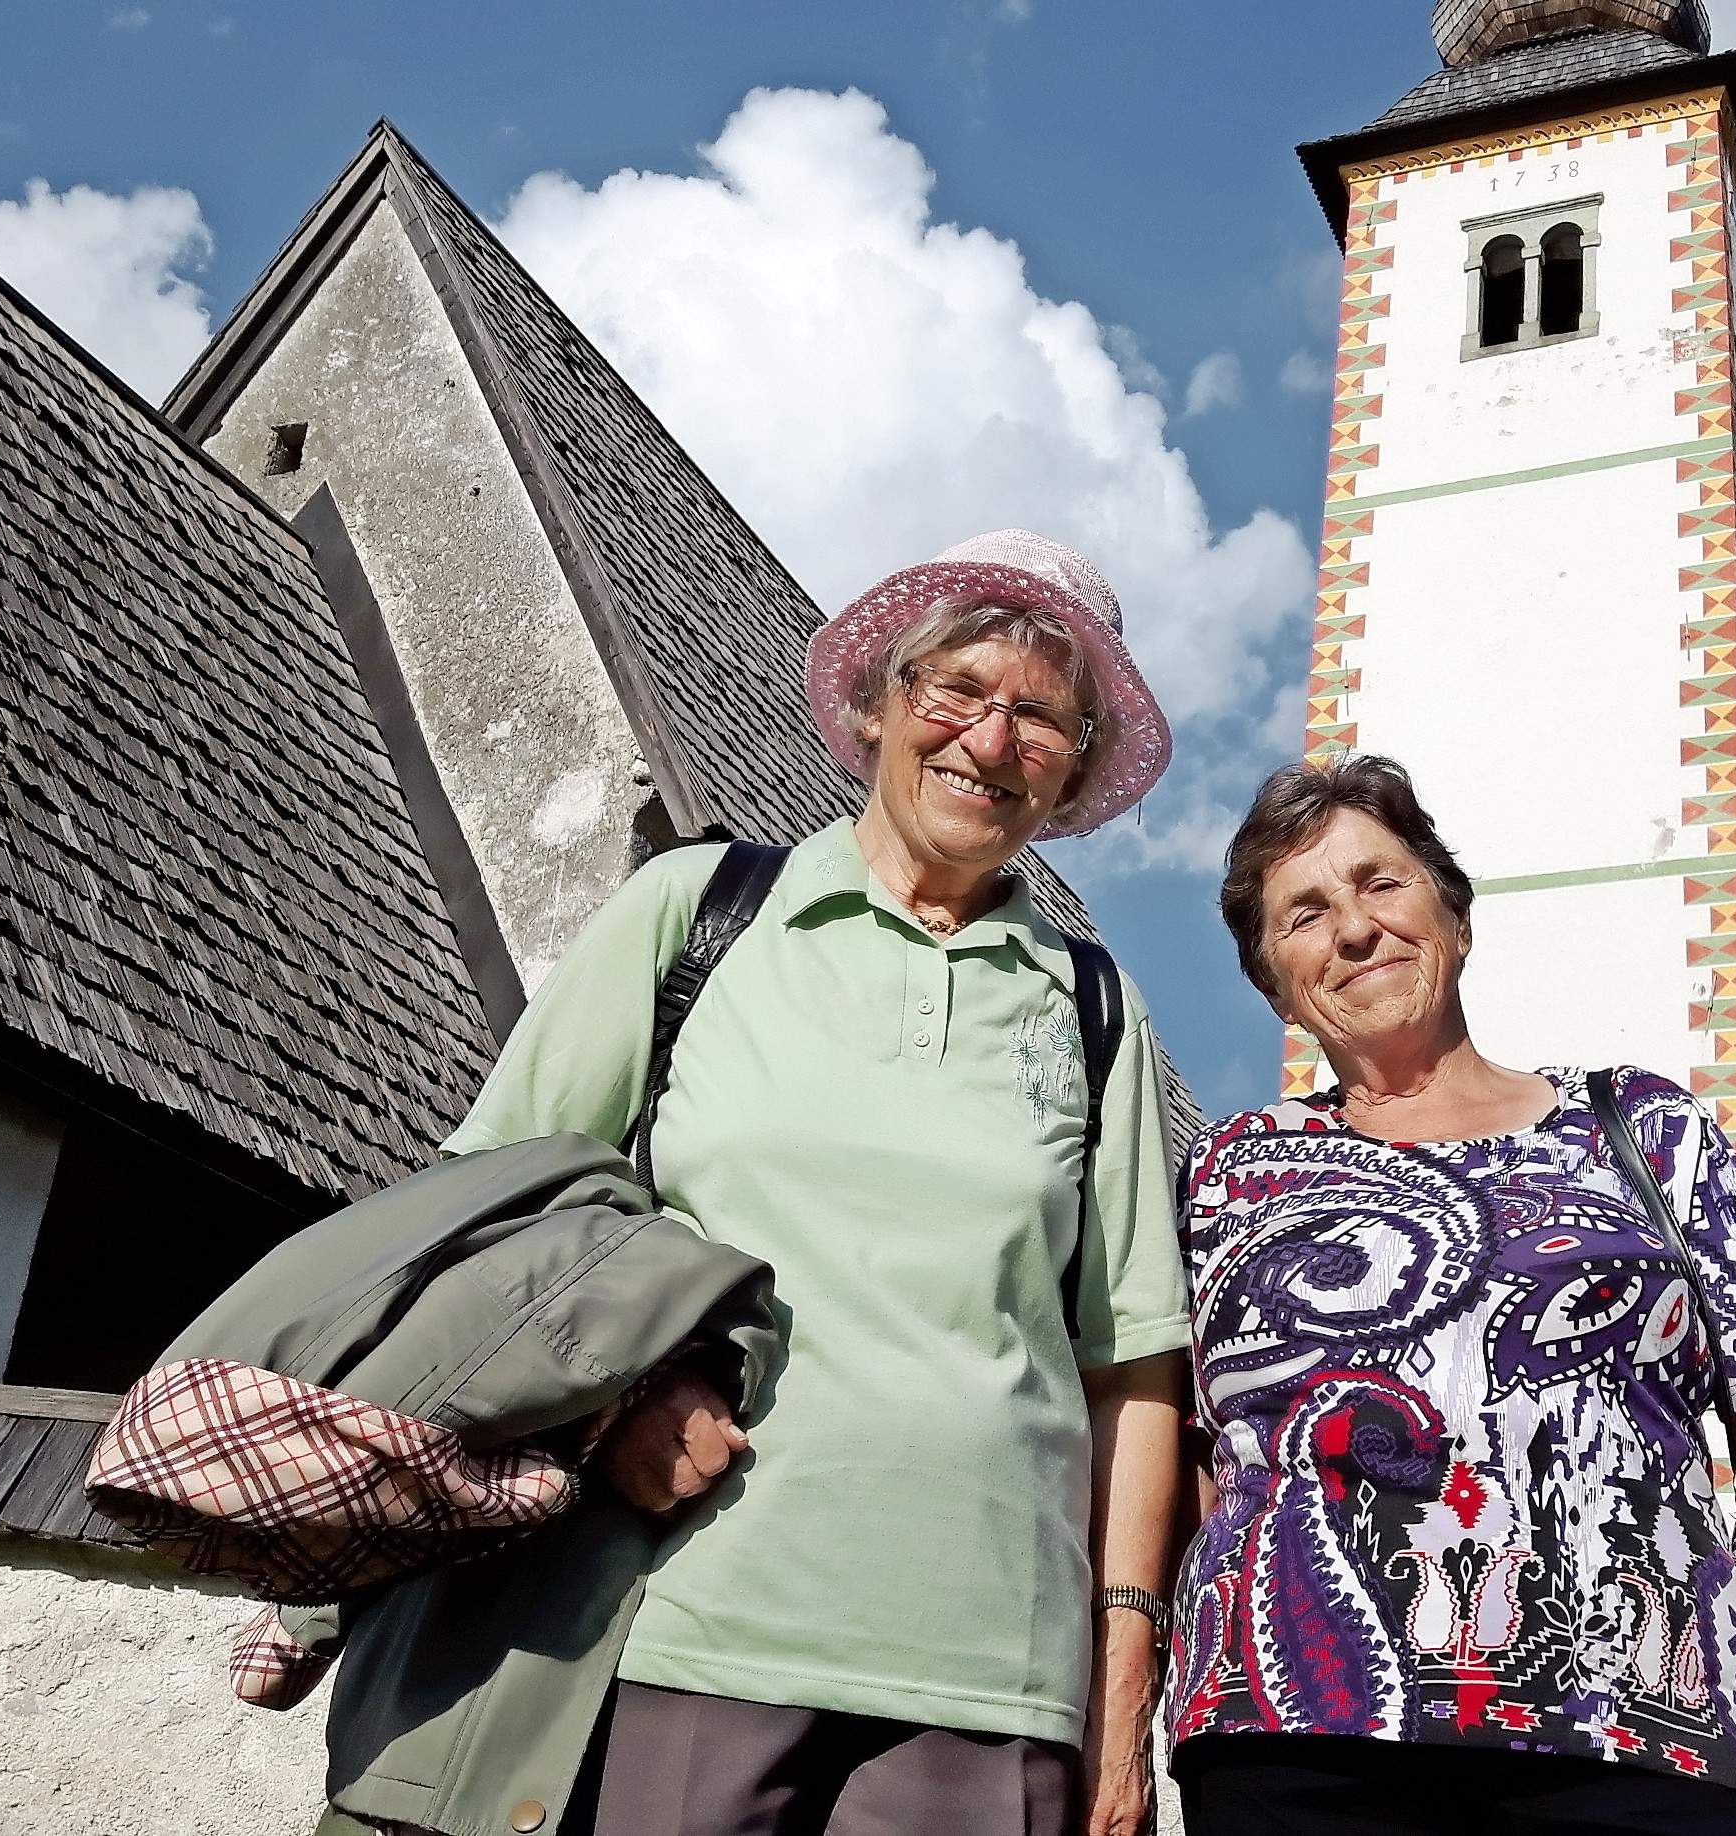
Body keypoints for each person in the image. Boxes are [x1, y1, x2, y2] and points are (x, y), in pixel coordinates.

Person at [436, 530, 1191, 1836]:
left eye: (1041, 717)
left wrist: (1120, 1700)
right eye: (954, 688)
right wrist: (613, 1399)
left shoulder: (1089, 1006)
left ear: (1071, 772)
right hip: (687, 1619)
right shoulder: (698, 914)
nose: (991, 739)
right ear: (875, 704)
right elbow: (494, 1198)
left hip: (992, 1678)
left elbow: (1131, 1372)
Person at [1166, 754, 1736, 1836]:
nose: (1354, 929)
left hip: (1642, 1730)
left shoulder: (1641, 1129)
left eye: (1382, 883)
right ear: (1274, 980)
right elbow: (1178, 1452)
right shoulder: (1227, 1174)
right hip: (1295, 1742)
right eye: (1304, 914)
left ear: (1454, 917)